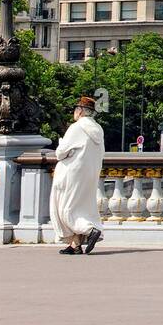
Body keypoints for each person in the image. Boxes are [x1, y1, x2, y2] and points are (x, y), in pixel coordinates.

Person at [50, 96, 105, 255]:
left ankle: (90, 229)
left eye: (75, 110)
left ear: (80, 111)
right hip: (90, 174)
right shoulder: (98, 129)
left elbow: (60, 153)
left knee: (66, 208)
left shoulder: (76, 127)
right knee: (82, 207)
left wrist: (61, 145)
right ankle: (75, 245)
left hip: (72, 173)